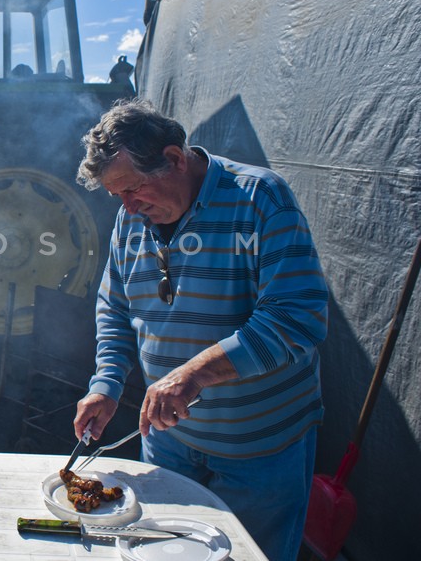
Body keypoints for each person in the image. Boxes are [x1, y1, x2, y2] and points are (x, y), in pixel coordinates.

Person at [73, 98, 328, 560]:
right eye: (118, 197)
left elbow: (297, 317)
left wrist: (194, 373)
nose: (128, 209)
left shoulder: (259, 198)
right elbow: (115, 307)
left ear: (174, 159)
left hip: (259, 449)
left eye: (133, 190)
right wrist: (106, 383)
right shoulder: (131, 223)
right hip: (169, 444)